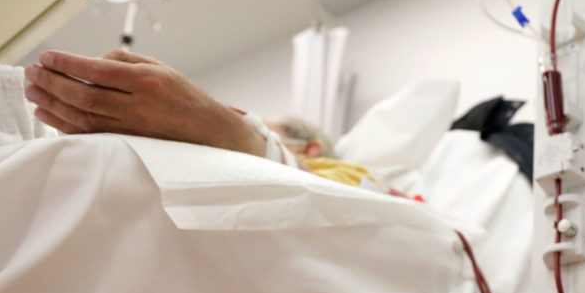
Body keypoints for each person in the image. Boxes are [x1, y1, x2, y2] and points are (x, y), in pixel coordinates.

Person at [23, 48, 378, 187]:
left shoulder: (353, 176)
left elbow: (373, 207)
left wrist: (233, 133)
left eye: (267, 132)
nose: (256, 131)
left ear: (310, 149)